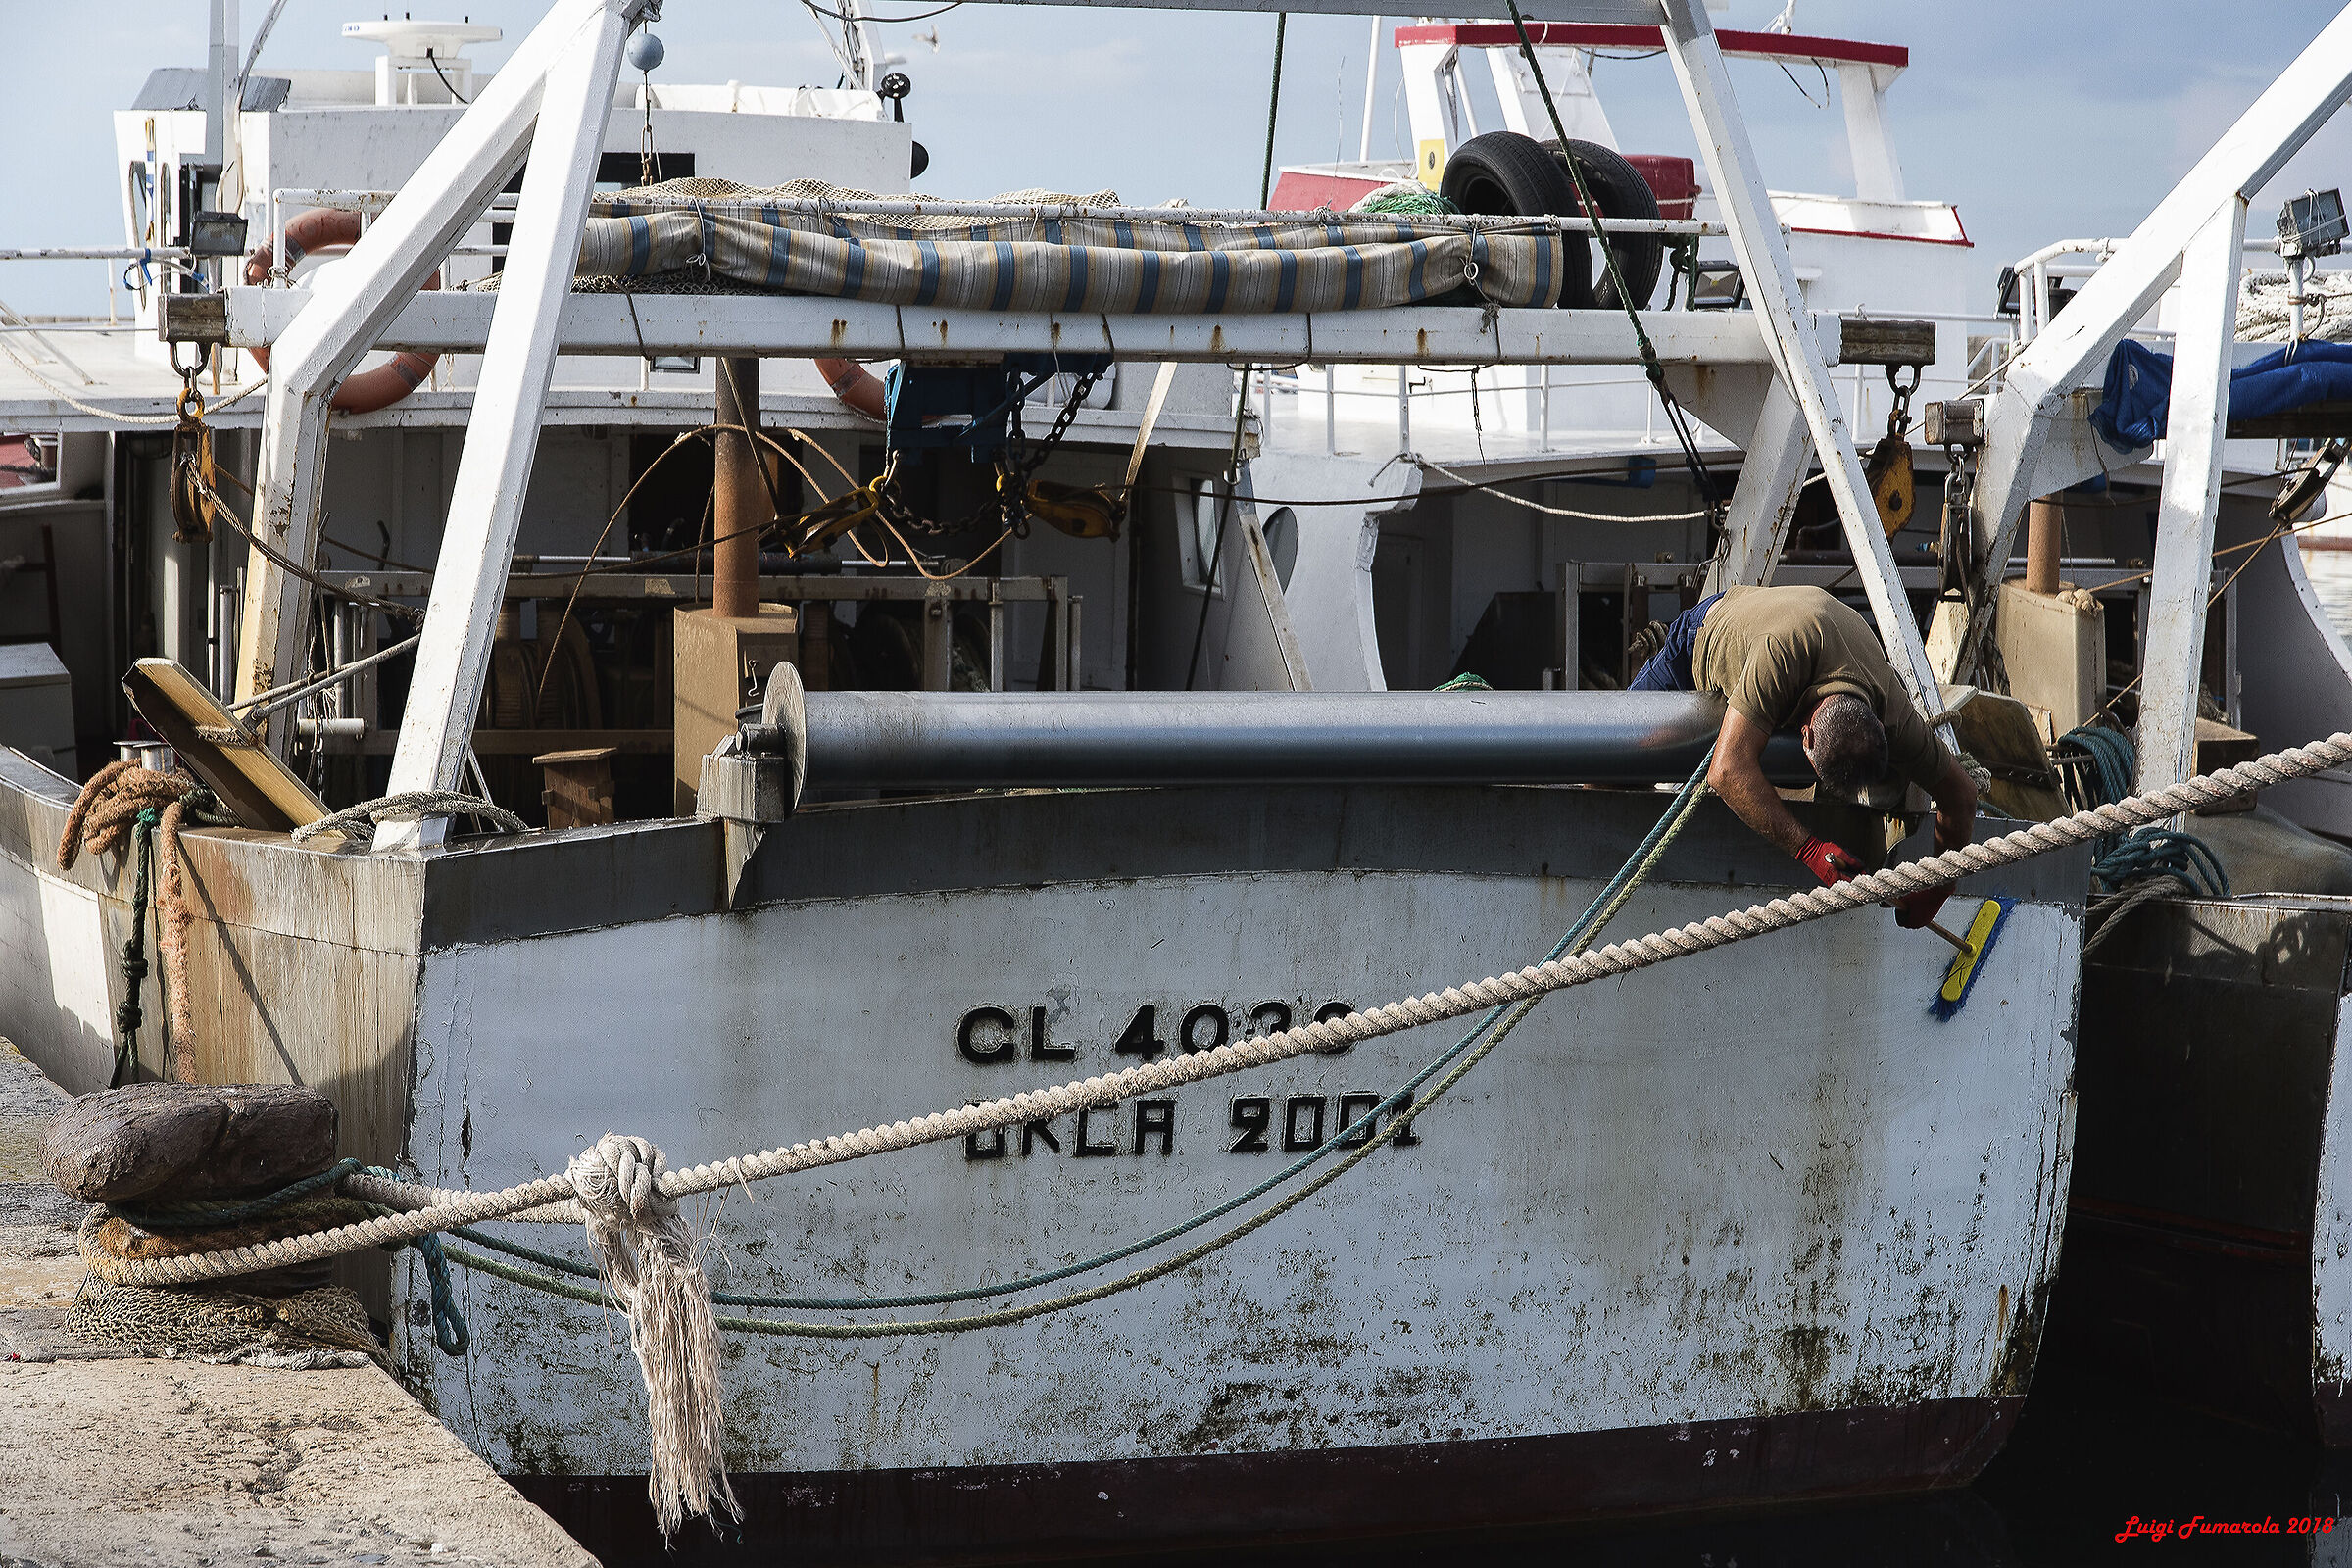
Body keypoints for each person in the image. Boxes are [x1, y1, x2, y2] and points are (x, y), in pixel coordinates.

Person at [1628, 585, 1975, 925]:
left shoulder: (1892, 706)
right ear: (1804, 737)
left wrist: (1939, 888)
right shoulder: (1778, 656)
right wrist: (1807, 849)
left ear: (1880, 728)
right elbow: (1726, 771)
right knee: (1619, 760)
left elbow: (1960, 793)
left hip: (1799, 623)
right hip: (1706, 630)